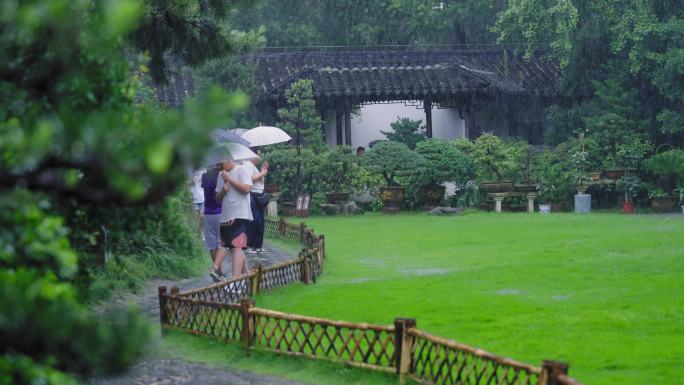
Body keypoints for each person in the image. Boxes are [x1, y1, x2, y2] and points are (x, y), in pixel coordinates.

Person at [212, 155, 253, 283]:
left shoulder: (241, 170)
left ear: (229, 158)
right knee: (233, 248)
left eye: (221, 163)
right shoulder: (221, 175)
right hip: (226, 216)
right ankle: (248, 277)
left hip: (240, 214)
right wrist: (223, 191)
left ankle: (236, 281)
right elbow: (217, 199)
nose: (219, 166)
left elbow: (247, 189)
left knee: (236, 247)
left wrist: (229, 179)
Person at [243, 150, 269, 254]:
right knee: (254, 221)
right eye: (258, 154)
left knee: (260, 222)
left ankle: (258, 246)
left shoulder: (254, 167)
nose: (260, 157)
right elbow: (249, 179)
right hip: (253, 195)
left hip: (259, 195)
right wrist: (262, 173)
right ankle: (250, 245)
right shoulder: (247, 165)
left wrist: (264, 170)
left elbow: (260, 181)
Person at [201, 164, 223, 279]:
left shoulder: (204, 176)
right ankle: (217, 270)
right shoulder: (221, 175)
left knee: (212, 244)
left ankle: (219, 273)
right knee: (222, 244)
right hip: (220, 211)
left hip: (207, 212)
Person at [189, 169, 205, 234]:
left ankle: (201, 233)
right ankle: (196, 233)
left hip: (202, 198)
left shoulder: (204, 170)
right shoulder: (190, 169)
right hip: (193, 199)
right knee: (195, 218)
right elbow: (185, 183)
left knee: (202, 216)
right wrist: (191, 181)